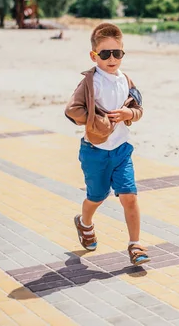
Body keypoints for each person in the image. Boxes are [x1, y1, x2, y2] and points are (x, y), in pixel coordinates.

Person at [64, 23, 149, 266]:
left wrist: (128, 115)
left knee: (129, 197)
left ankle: (135, 245)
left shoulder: (126, 80)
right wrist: (97, 119)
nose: (112, 59)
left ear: (123, 53)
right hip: (95, 151)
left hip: (121, 150)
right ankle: (85, 222)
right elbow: (72, 110)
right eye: (105, 54)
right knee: (97, 196)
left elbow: (139, 108)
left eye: (117, 53)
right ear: (94, 56)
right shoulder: (90, 82)